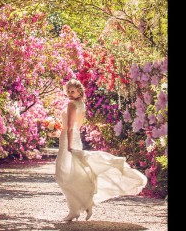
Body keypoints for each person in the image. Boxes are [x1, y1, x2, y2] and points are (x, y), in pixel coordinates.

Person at [55, 79, 147, 222]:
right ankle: (85, 204)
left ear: (79, 91)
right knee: (77, 172)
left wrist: (68, 145)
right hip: (74, 138)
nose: (70, 93)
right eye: (68, 91)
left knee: (63, 174)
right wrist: (57, 129)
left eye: (72, 91)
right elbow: (75, 126)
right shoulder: (81, 104)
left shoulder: (72, 105)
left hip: (69, 140)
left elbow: (71, 127)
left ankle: (76, 209)